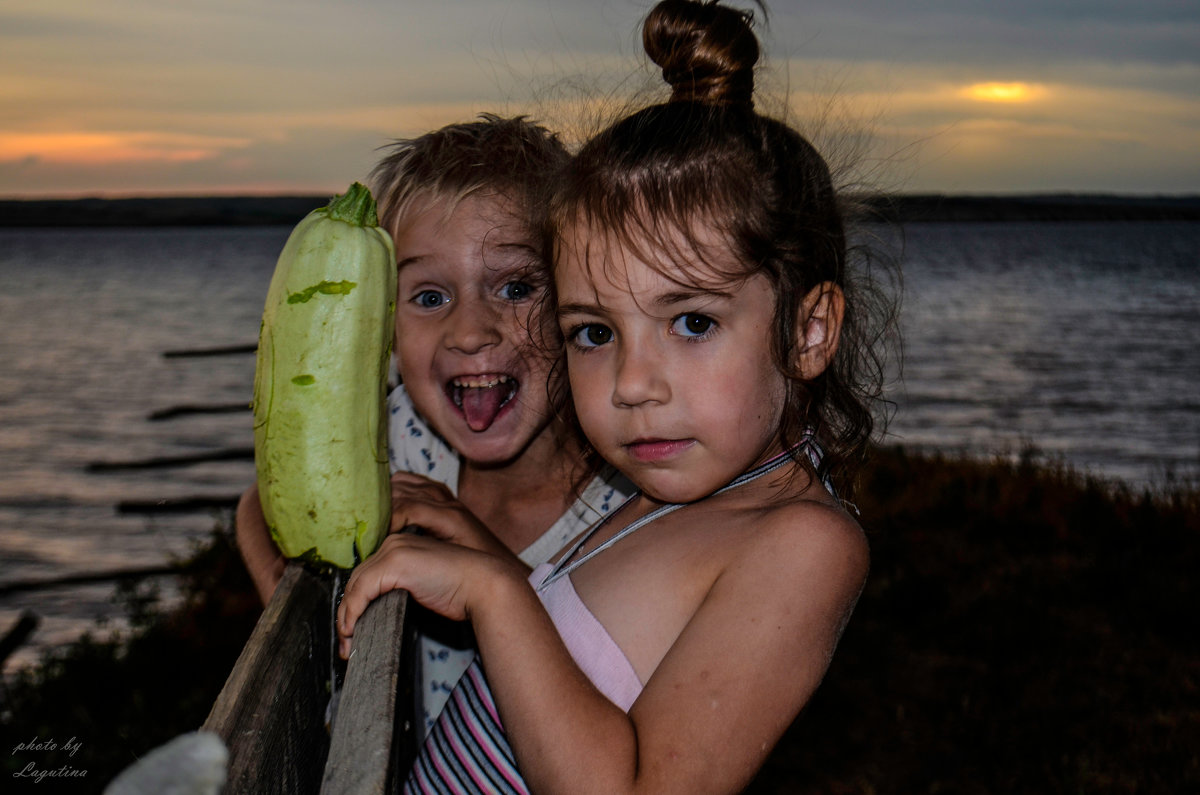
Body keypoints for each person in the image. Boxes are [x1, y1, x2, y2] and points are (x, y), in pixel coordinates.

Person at [337, 0, 895, 790]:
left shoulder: (805, 545)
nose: (631, 384)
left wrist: (493, 593)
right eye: (594, 332)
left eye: (692, 321)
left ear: (809, 330)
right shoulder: (671, 490)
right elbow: (574, 664)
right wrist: (474, 548)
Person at [235, 114, 632, 738]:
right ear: (383, 323)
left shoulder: (629, 498)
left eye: (517, 286)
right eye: (428, 297)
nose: (471, 331)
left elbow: (610, 677)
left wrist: (480, 555)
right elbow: (261, 505)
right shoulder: (404, 437)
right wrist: (310, 637)